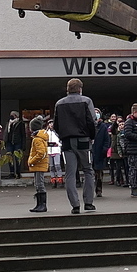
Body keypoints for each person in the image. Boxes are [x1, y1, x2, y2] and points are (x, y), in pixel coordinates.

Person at [52, 78, 97, 214]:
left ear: (67, 89)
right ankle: (88, 202)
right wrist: (92, 136)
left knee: (70, 174)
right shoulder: (86, 101)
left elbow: (56, 125)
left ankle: (75, 204)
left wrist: (62, 135)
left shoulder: (59, 103)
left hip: (67, 142)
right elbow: (92, 121)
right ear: (80, 89)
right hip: (84, 140)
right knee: (88, 170)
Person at [27, 116, 49, 213]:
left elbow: (41, 153)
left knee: (39, 184)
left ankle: (42, 204)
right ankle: (39, 204)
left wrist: (32, 161)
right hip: (39, 164)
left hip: (39, 164)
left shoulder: (37, 139)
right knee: (38, 184)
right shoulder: (39, 138)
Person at [91, 109, 110, 197]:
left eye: (97, 112)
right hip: (90, 152)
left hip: (99, 152)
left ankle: (99, 189)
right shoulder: (89, 125)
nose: (96, 114)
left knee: (99, 173)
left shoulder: (103, 126)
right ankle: (90, 190)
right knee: (90, 172)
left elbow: (107, 140)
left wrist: (104, 150)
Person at [4, 111, 26, 179]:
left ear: (16, 116)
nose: (11, 116)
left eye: (13, 115)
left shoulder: (20, 123)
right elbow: (6, 133)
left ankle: (18, 173)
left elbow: (23, 135)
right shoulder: (8, 123)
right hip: (9, 142)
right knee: (9, 158)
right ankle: (12, 172)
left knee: (17, 158)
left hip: (17, 142)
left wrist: (23, 145)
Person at [45, 120, 63, 188]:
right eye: (50, 123)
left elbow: (61, 140)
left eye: (52, 123)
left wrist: (58, 144)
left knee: (57, 165)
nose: (51, 125)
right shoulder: (47, 132)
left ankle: (60, 179)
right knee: (51, 166)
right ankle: (53, 180)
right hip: (49, 151)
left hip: (56, 150)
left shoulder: (57, 132)